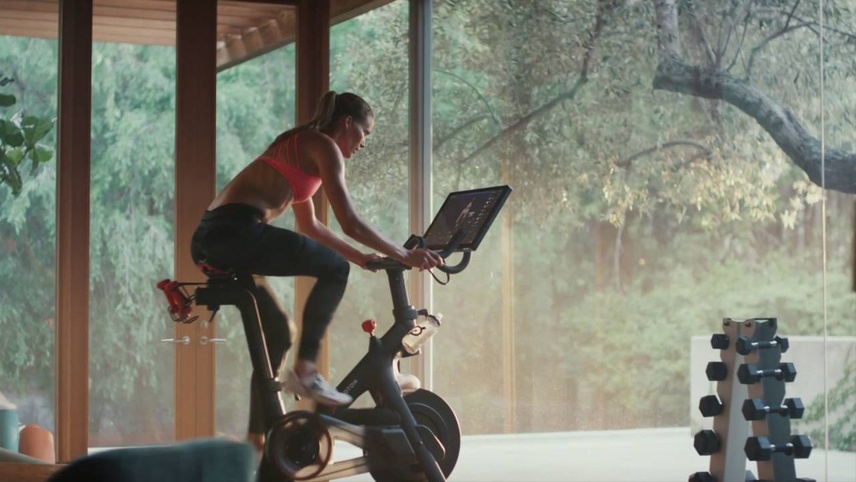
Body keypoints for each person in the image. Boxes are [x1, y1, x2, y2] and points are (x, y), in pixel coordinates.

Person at [189, 91, 443, 453]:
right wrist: (405, 255)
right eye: (364, 133)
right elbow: (350, 221)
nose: (363, 144)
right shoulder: (323, 146)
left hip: (214, 239)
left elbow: (311, 226)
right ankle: (306, 371)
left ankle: (259, 440)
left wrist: (360, 258)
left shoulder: (303, 147)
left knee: (279, 332)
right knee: (332, 268)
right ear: (347, 123)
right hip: (233, 232)